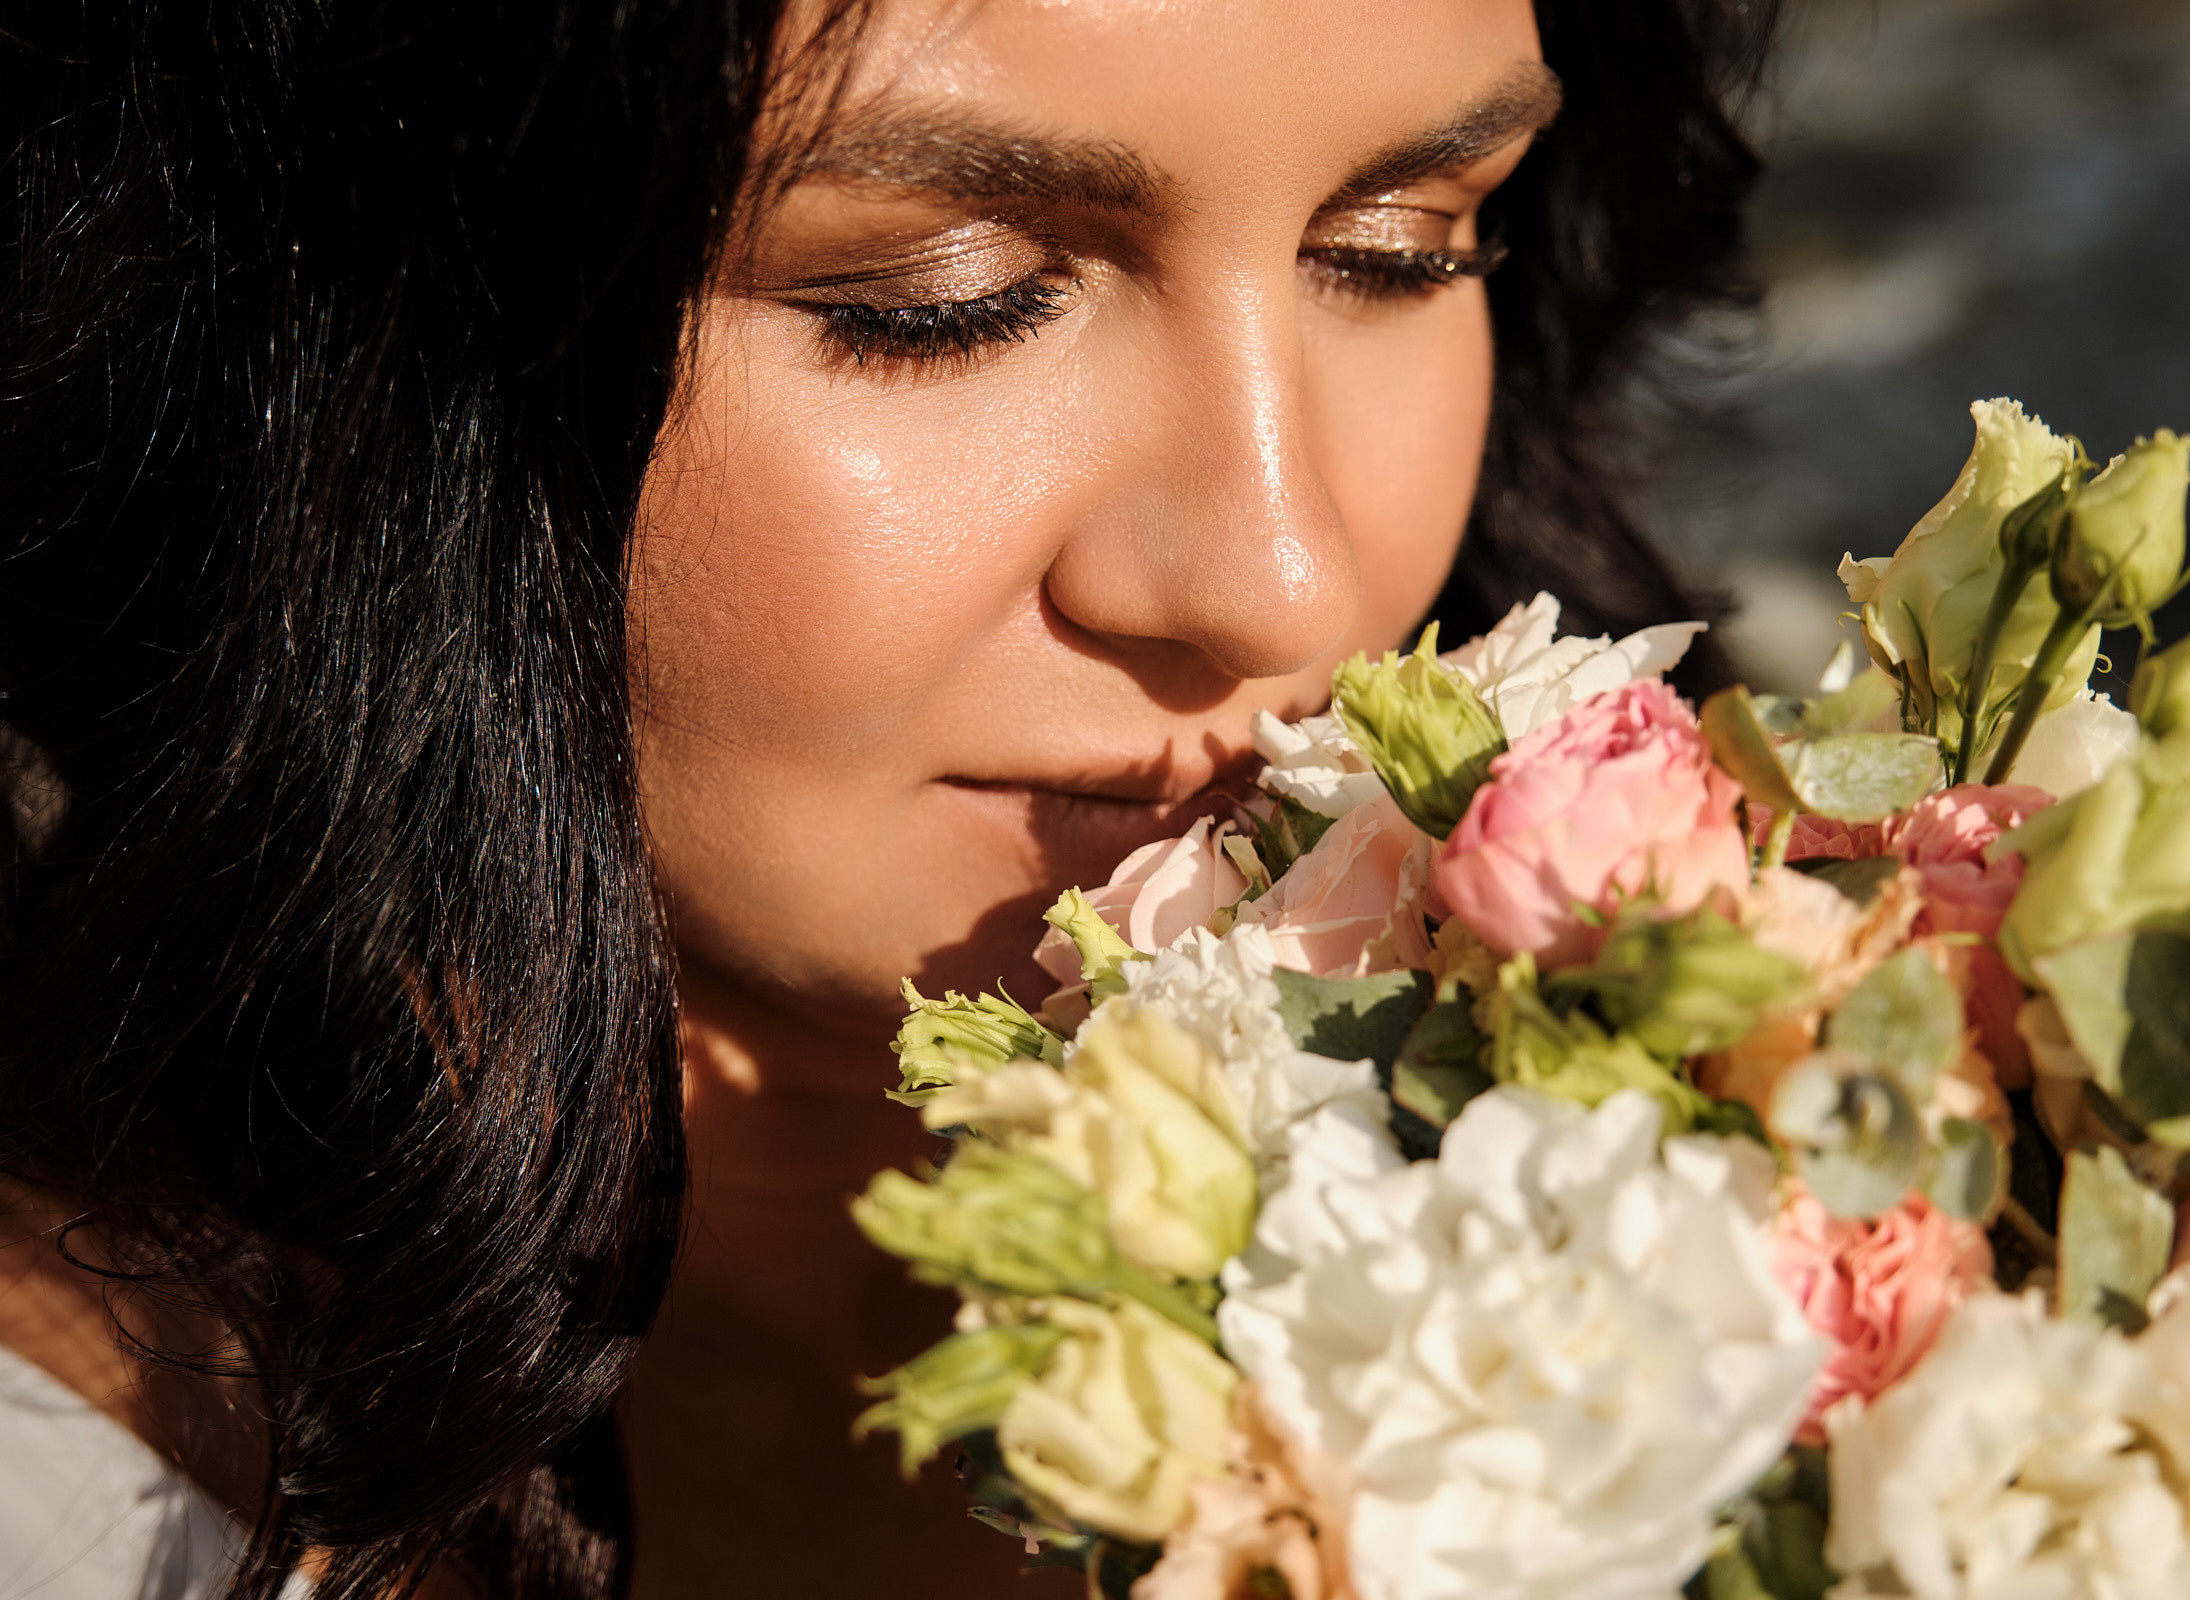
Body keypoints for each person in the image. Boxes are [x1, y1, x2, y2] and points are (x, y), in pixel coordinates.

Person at [0, 1, 1770, 1594]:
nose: (1284, 579)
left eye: (1399, 248)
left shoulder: (1820, 1137)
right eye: (942, 300)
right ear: (309, 326)